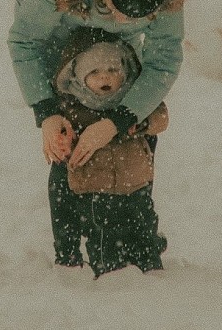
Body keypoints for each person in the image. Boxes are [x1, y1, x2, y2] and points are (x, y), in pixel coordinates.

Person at [7, 0, 193, 271]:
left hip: (118, 56)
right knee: (71, 137)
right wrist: (47, 112)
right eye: (114, 10)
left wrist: (119, 120)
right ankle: (70, 241)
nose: (121, 22)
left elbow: (164, 56)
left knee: (129, 138)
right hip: (59, 45)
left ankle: (135, 232)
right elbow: (26, 42)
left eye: (137, 18)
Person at [51, 26, 170, 277]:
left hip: (136, 185)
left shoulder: (134, 100)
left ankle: (151, 263)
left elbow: (161, 116)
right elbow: (63, 141)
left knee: (144, 227)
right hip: (96, 193)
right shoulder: (74, 109)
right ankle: (111, 276)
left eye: (112, 70)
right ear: (79, 76)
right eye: (94, 72)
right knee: (105, 235)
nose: (105, 78)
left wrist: (141, 123)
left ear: (124, 70)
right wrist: (64, 142)